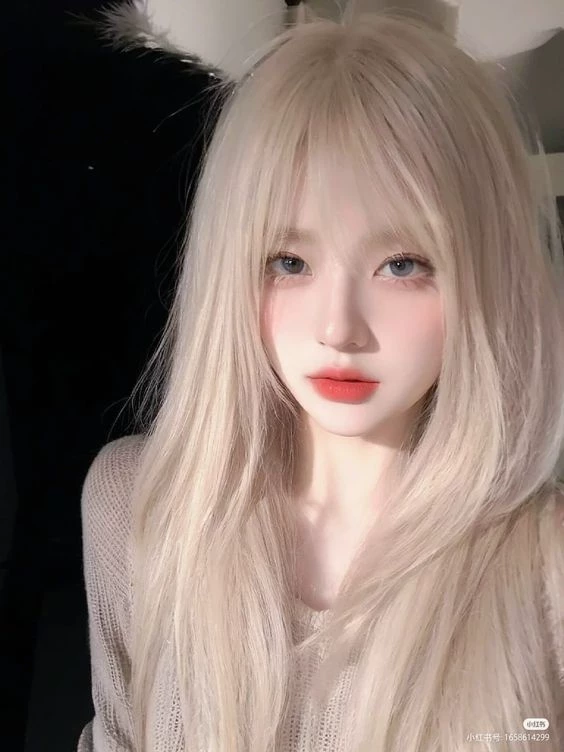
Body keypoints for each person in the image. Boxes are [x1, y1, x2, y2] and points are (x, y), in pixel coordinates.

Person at [77, 6, 564, 752]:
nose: (339, 328)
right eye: (290, 262)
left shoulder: (543, 570)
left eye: (402, 264)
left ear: (484, 274)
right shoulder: (138, 509)